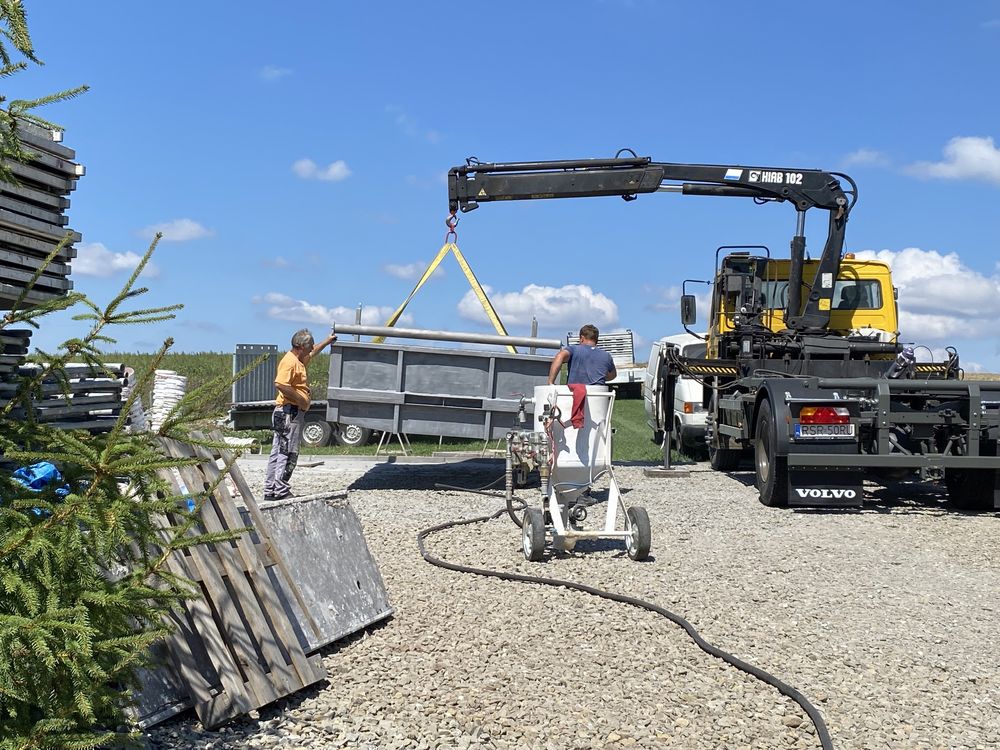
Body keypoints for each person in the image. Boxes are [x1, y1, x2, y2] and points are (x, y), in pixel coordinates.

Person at [263, 328, 337, 502]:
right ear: (301, 345)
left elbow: (313, 352)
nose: (312, 347)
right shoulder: (290, 362)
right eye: (310, 345)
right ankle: (280, 490)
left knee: (278, 451)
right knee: (287, 452)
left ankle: (271, 489)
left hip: (287, 411)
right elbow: (281, 384)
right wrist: (301, 401)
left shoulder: (299, 360)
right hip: (290, 412)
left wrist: (327, 341)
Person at [548, 324, 617, 386]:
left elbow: (560, 356)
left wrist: (551, 382)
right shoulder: (607, 356)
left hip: (577, 394)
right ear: (596, 340)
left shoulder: (574, 350)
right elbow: (613, 375)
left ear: (582, 338)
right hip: (599, 395)